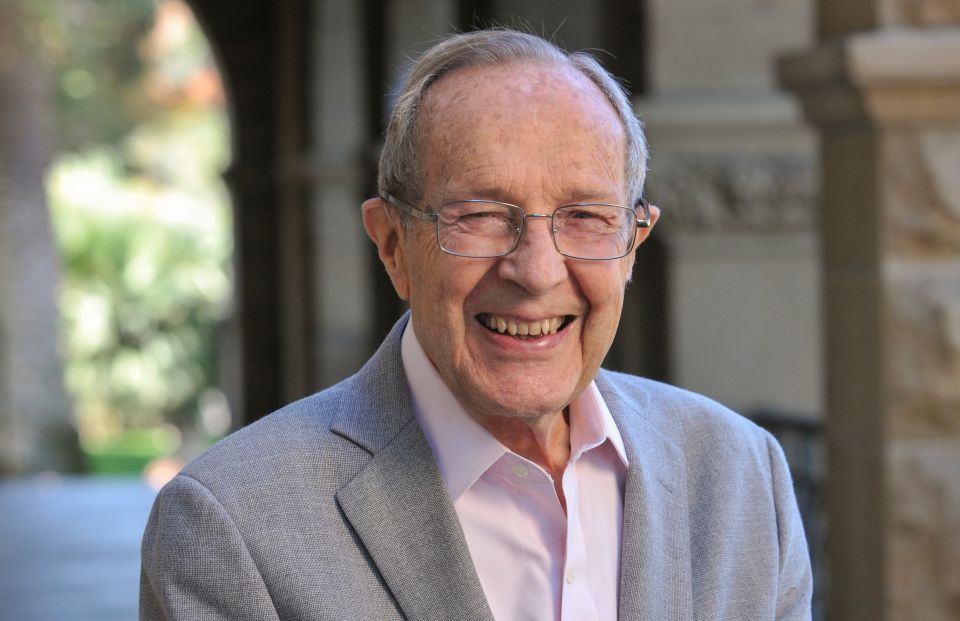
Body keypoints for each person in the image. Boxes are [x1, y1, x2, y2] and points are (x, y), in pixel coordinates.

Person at [140, 28, 812, 620]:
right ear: (393, 244)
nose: (537, 270)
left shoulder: (743, 475)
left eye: (585, 215)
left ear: (633, 243)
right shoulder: (231, 522)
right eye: (482, 215)